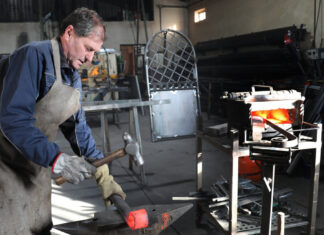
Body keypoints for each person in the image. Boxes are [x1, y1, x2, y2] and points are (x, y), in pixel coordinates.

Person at [0, 7, 125, 235]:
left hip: (37, 168)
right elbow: (13, 119)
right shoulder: (33, 56)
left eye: (94, 53)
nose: (90, 59)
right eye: (88, 48)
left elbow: (78, 128)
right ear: (69, 33)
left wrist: (102, 173)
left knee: (39, 226)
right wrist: (58, 159)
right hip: (7, 168)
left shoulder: (72, 76)